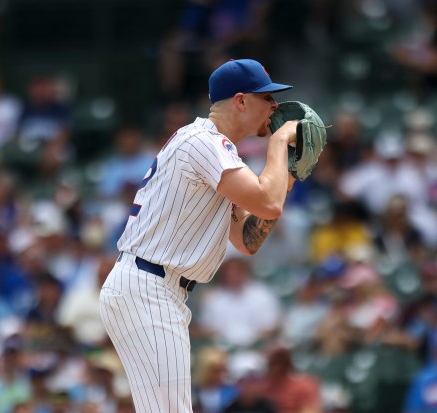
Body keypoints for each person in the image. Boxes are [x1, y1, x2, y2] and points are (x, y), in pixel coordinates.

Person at [99, 58, 298, 413]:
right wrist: (280, 143)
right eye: (266, 97)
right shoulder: (203, 142)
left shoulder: (216, 152)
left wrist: (290, 174)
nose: (275, 106)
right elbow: (269, 202)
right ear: (240, 101)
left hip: (155, 288)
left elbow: (246, 241)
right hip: (148, 286)